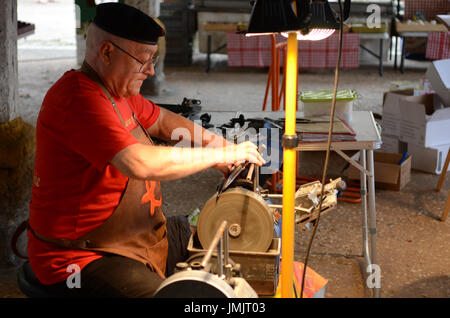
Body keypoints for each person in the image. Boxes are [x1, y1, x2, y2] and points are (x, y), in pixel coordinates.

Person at [26, 3, 265, 298]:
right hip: (80, 260)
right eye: (144, 60)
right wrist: (218, 156)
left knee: (236, 244)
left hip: (137, 237)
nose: (151, 71)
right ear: (106, 52)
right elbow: (137, 162)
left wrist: (220, 145)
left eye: (154, 59)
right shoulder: (78, 99)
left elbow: (164, 122)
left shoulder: (118, 91)